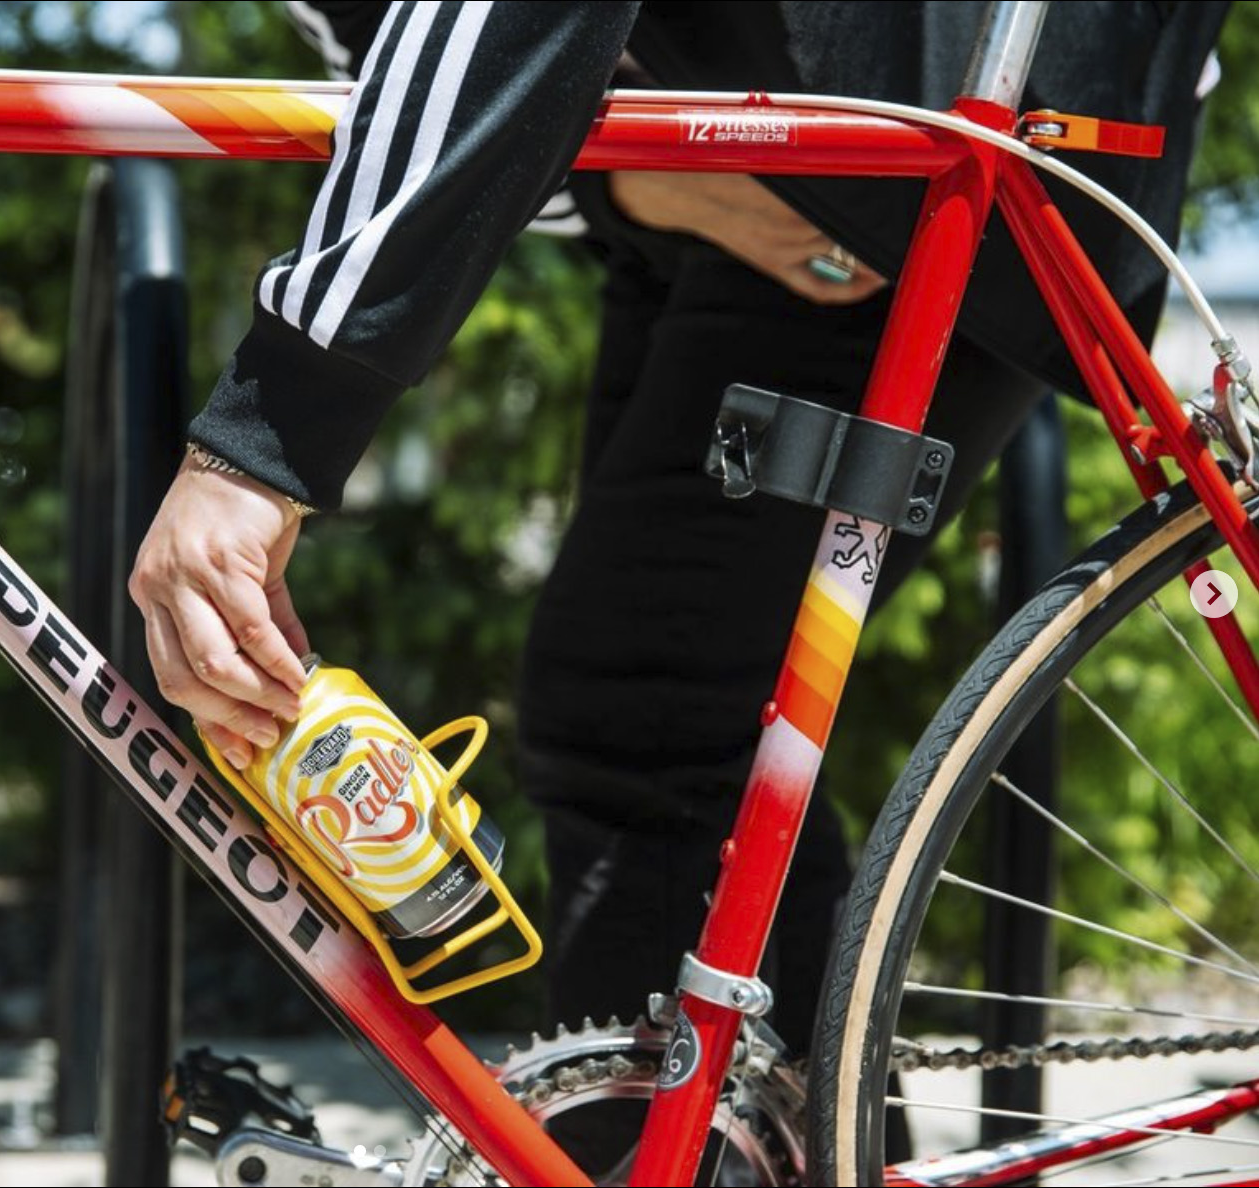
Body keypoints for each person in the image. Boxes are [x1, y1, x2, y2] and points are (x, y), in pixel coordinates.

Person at [129, 1, 1229, 1059]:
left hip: (917, 150)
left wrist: (265, 438)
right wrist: (653, 193)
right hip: (786, 165)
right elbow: (413, 70)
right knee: (683, 732)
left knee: (651, 724)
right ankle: (780, 1139)